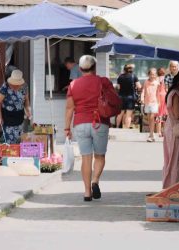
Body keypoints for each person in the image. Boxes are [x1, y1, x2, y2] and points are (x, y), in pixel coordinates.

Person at [65, 55, 113, 201]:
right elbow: (114, 99)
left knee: (86, 158)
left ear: (79, 68)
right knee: (99, 156)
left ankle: (87, 192)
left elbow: (69, 109)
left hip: (80, 123)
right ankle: (95, 181)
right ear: (95, 67)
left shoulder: (73, 85)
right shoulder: (103, 82)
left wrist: (67, 129)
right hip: (100, 122)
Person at [0, 69, 31, 144]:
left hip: (19, 117)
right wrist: (0, 117)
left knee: (19, 142)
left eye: (17, 84)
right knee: (8, 143)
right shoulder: (5, 87)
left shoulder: (24, 86)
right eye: (14, 84)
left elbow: (26, 100)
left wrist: (28, 110)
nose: (15, 86)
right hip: (7, 118)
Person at [116, 64, 141, 128]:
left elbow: (118, 87)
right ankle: (126, 129)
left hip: (121, 97)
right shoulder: (134, 76)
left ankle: (117, 127)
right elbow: (139, 86)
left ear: (124, 69)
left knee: (120, 114)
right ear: (132, 70)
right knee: (128, 115)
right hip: (130, 98)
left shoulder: (120, 77)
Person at [141, 68, 160, 142]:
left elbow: (158, 93)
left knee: (152, 118)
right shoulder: (146, 82)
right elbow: (143, 91)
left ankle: (151, 134)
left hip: (154, 102)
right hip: (147, 102)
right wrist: (142, 98)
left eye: (154, 74)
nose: (153, 76)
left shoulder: (157, 83)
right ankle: (151, 134)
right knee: (149, 119)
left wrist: (159, 103)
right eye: (151, 74)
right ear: (148, 74)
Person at [156, 67, 168, 137]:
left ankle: (159, 132)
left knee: (159, 115)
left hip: (159, 97)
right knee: (165, 115)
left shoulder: (157, 79)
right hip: (166, 96)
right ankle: (165, 132)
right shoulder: (166, 78)